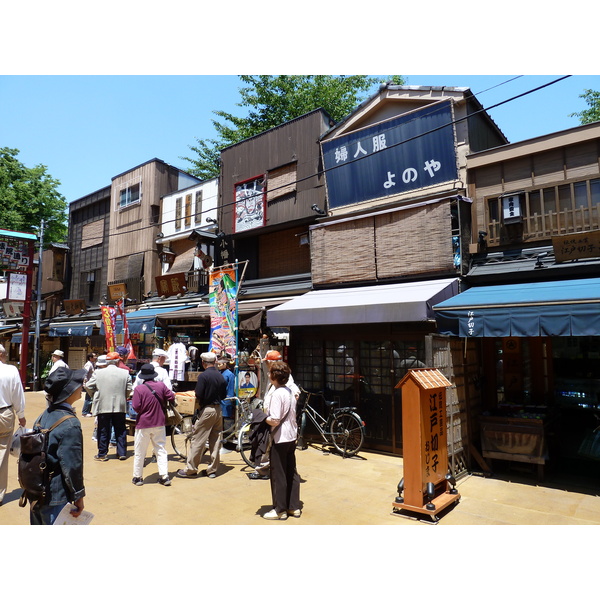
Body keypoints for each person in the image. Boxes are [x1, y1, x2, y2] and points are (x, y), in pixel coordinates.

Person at [30, 366, 87, 525]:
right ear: (68, 392)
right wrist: (79, 497)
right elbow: (72, 466)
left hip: (37, 492)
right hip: (56, 497)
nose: (81, 386)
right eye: (78, 384)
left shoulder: (43, 415)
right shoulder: (70, 424)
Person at [176, 352, 226, 479]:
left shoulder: (203, 376)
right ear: (214, 362)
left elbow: (198, 394)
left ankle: (191, 469)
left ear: (204, 363)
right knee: (215, 440)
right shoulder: (220, 376)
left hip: (207, 410)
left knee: (198, 439)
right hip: (218, 410)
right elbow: (224, 395)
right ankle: (212, 470)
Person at [262, 361, 301, 520]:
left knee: (278, 473)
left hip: (280, 437)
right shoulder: (290, 391)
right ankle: (293, 507)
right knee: (291, 471)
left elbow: (275, 419)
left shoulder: (278, 393)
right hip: (291, 435)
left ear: (274, 376)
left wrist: (263, 419)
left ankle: (280, 509)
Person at [131, 364, 176, 487]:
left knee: (140, 451)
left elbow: (136, 407)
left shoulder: (139, 389)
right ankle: (164, 476)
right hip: (159, 422)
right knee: (160, 449)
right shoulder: (161, 386)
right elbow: (171, 396)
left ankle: (138, 477)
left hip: (143, 424)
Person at [85, 351, 133, 461]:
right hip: (120, 406)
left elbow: (88, 385)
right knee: (120, 429)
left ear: (107, 362)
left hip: (103, 405)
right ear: (117, 361)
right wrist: (123, 396)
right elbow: (129, 390)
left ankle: (102, 454)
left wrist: (95, 395)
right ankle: (121, 453)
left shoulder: (98, 373)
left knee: (103, 429)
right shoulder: (125, 373)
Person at [0, 344, 26, 506]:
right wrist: (21, 416)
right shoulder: (10, 370)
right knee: (2, 452)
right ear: (2, 355)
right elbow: (18, 394)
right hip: (4, 414)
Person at [218, 358, 235, 430]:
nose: (218, 366)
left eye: (220, 364)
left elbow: (231, 389)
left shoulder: (230, 374)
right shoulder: (219, 373)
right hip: (219, 399)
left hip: (226, 399)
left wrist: (228, 400)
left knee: (226, 419)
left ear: (225, 364)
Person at [81, 352, 97, 417]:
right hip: (88, 384)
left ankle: (87, 411)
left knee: (90, 398)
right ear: (90, 358)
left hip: (91, 384)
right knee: (88, 398)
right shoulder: (88, 364)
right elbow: (85, 373)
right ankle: (85, 412)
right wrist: (85, 382)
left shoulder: (92, 364)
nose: (96, 357)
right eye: (94, 356)